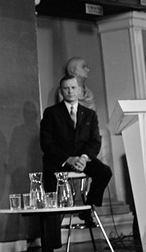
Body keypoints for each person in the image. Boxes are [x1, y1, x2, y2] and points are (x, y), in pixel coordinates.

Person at [40, 74, 113, 226]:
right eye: (66, 88)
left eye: (73, 88)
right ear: (61, 91)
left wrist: (84, 158)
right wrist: (68, 158)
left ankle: (88, 208)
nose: (70, 91)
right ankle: (52, 242)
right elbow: (46, 143)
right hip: (58, 161)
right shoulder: (51, 113)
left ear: (79, 90)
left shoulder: (89, 114)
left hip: (82, 159)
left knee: (104, 172)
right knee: (51, 195)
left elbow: (95, 141)